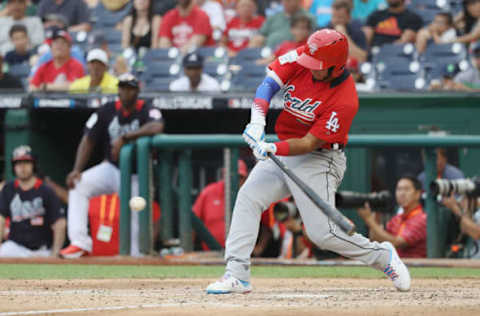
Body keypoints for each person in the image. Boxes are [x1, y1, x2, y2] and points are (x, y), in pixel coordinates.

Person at [206, 29, 411, 294]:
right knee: (248, 198)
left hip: (320, 158)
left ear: (336, 68)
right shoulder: (306, 55)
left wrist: (271, 146)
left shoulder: (345, 99)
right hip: (283, 150)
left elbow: (309, 143)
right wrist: (257, 120)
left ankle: (383, 257)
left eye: (319, 67)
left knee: (322, 234)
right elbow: (268, 84)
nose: (311, 68)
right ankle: (237, 275)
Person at [59, 73, 164, 258]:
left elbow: (157, 127)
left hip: (137, 175)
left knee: (135, 215)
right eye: (122, 87)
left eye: (130, 88)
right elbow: (88, 140)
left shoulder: (147, 109)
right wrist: (77, 169)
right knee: (78, 185)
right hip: (112, 169)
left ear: (137, 90)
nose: (125, 91)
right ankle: (80, 243)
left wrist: (126, 137)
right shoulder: (106, 110)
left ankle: (136, 256)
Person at [0, 145, 66, 257]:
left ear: (33, 165)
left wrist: (55, 254)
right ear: (14, 167)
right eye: (18, 163)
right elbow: (0, 219)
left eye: (26, 163)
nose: (22, 167)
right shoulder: (8, 189)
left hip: (42, 250)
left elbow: (60, 223)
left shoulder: (46, 190)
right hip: (15, 247)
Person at [357, 176, 427, 258]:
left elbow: (397, 243)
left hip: (418, 267)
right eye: (399, 189)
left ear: (417, 194)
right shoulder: (396, 219)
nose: (402, 193)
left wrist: (369, 219)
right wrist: (376, 212)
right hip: (395, 266)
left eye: (406, 189)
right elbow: (376, 238)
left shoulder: (422, 218)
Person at [193, 160, 249, 250]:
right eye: (232, 177)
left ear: (245, 179)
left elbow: (267, 223)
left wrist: (259, 248)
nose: (236, 181)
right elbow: (193, 221)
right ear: (224, 176)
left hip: (241, 253)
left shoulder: (250, 196)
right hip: (211, 254)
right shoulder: (209, 192)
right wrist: (188, 249)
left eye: (240, 177)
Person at [249, 0, 316, 49]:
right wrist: (256, 40)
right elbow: (261, 34)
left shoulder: (307, 17)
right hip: (268, 49)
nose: (285, 3)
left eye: (289, 1)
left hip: (292, 51)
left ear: (298, 1)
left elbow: (311, 40)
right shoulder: (274, 16)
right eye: (284, 1)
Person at [442, 194, 480, 259]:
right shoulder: (470, 214)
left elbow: (476, 233)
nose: (460, 201)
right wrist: (466, 211)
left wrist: (456, 209)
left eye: (464, 198)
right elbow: (463, 229)